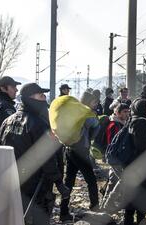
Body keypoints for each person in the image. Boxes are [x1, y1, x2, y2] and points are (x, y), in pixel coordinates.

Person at [0, 83, 69, 225]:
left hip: (12, 180)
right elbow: (47, 158)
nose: (44, 99)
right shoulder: (38, 124)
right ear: (30, 99)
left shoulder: (8, 121)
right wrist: (59, 182)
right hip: (37, 184)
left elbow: (1, 151)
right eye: (41, 96)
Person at [59, 92, 100, 222]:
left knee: (68, 182)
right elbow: (95, 126)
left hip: (70, 149)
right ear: (87, 102)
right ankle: (95, 210)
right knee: (91, 181)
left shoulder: (73, 112)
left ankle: (63, 212)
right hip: (81, 151)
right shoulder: (86, 113)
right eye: (94, 102)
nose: (96, 104)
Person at [123, 98, 146, 225]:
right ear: (141, 108)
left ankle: (129, 221)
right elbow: (141, 145)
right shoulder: (142, 123)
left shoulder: (132, 121)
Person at [101, 103, 130, 211]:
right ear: (117, 113)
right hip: (115, 159)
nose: (127, 114)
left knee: (114, 180)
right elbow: (111, 143)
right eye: (124, 112)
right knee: (116, 181)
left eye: (128, 111)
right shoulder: (114, 125)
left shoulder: (123, 124)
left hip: (119, 159)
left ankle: (107, 204)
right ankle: (105, 205)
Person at [0, 76, 21, 144]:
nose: (16, 90)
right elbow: (9, 135)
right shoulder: (5, 106)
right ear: (3, 88)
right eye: (13, 87)